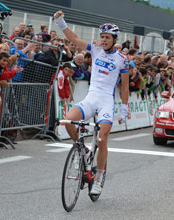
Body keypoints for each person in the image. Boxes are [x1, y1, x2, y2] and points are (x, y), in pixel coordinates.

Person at [54, 10, 129, 195]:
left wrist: (124, 108)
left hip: (106, 102)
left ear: (114, 39)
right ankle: (84, 150)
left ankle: (99, 177)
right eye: (101, 37)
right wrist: (61, 22)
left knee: (102, 138)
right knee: (68, 121)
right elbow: (75, 39)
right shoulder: (94, 49)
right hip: (91, 97)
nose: (103, 40)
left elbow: (125, 86)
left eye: (107, 37)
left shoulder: (122, 60)